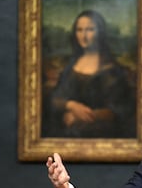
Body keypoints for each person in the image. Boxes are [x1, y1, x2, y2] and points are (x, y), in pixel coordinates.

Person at [47, 9, 136, 138]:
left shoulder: (112, 70)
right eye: (79, 30)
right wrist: (71, 105)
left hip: (102, 134)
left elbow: (119, 110)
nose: (84, 35)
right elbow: (55, 98)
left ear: (100, 32)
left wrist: (82, 116)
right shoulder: (70, 67)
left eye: (90, 30)